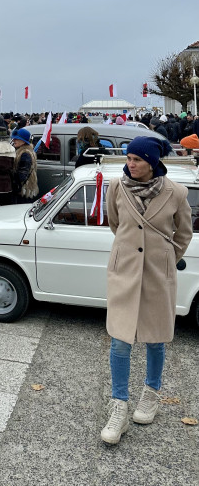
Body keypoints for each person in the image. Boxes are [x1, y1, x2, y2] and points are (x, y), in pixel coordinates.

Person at [100, 138, 192, 445]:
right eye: (128, 158)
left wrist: (166, 257)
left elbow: (183, 233)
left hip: (157, 274)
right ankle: (119, 407)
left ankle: (151, 393)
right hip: (124, 272)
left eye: (137, 159)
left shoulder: (176, 192)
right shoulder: (117, 187)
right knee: (120, 340)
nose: (130, 164)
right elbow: (116, 224)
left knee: (156, 338)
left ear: (152, 162)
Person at [10, 128, 38, 203]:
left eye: (17, 139)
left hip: (24, 191)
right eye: (14, 138)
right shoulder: (25, 151)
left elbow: (21, 176)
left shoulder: (25, 154)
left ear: (23, 141)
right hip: (25, 189)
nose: (14, 140)